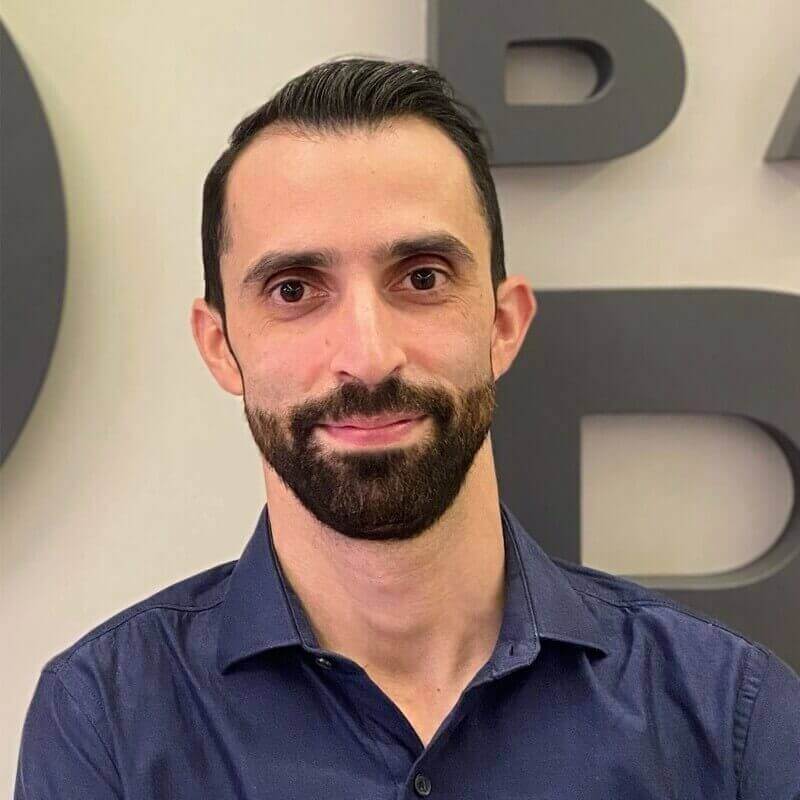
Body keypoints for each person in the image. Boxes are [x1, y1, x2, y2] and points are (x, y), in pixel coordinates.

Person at [15, 57, 800, 799]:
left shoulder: (729, 714)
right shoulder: (106, 719)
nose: (368, 355)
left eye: (422, 278)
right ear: (222, 347)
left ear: (501, 322)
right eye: (294, 290)